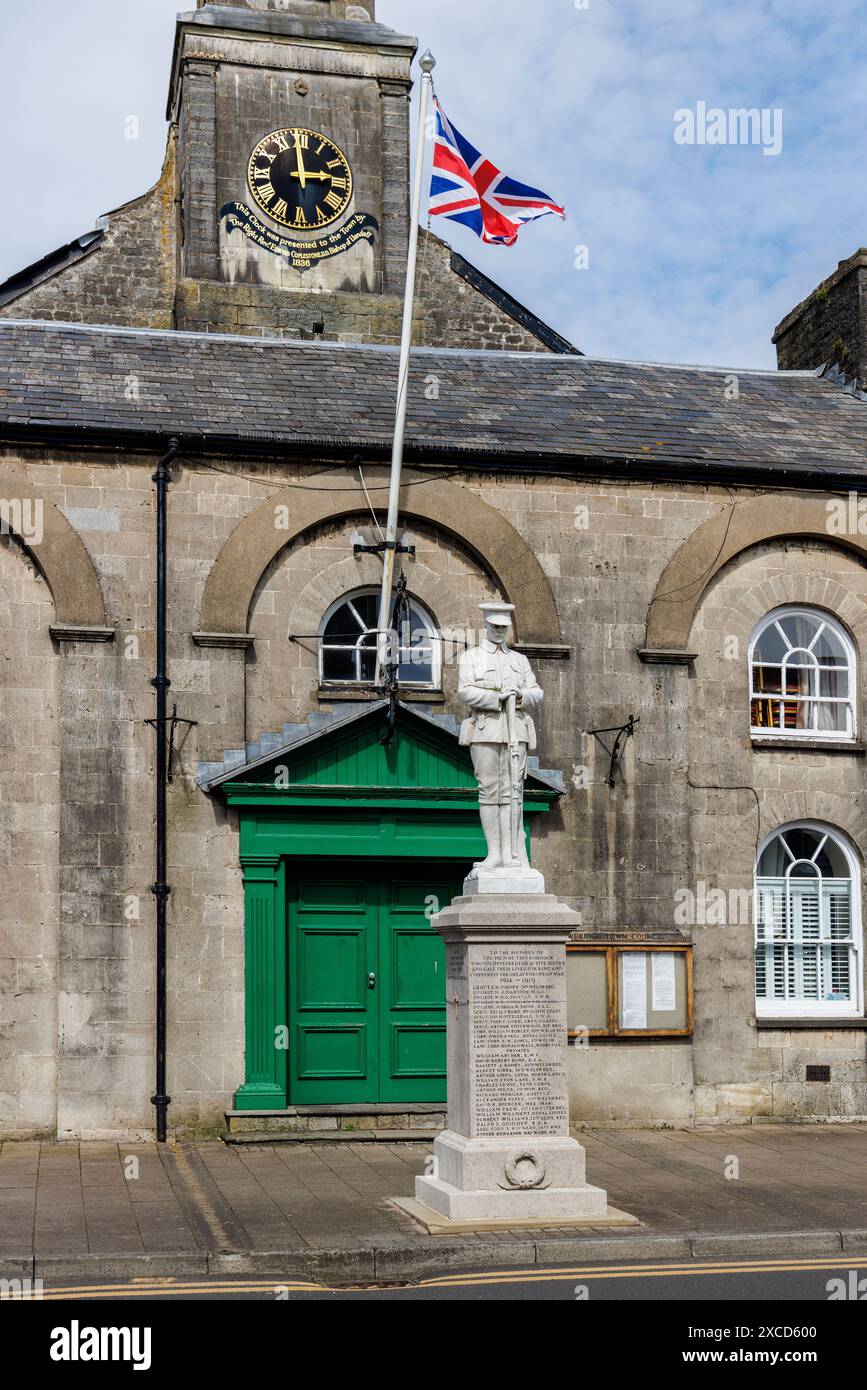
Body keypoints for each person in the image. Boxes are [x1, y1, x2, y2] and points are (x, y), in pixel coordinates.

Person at [458, 602, 543, 874]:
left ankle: (511, 855)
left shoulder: (519, 660)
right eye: (494, 626)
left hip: (515, 730)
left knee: (513, 793)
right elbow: (465, 692)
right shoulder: (471, 657)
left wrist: (519, 694)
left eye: (503, 628)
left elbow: (537, 693)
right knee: (489, 792)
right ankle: (494, 854)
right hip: (485, 728)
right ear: (486, 625)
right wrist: (497, 697)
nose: (498, 631)